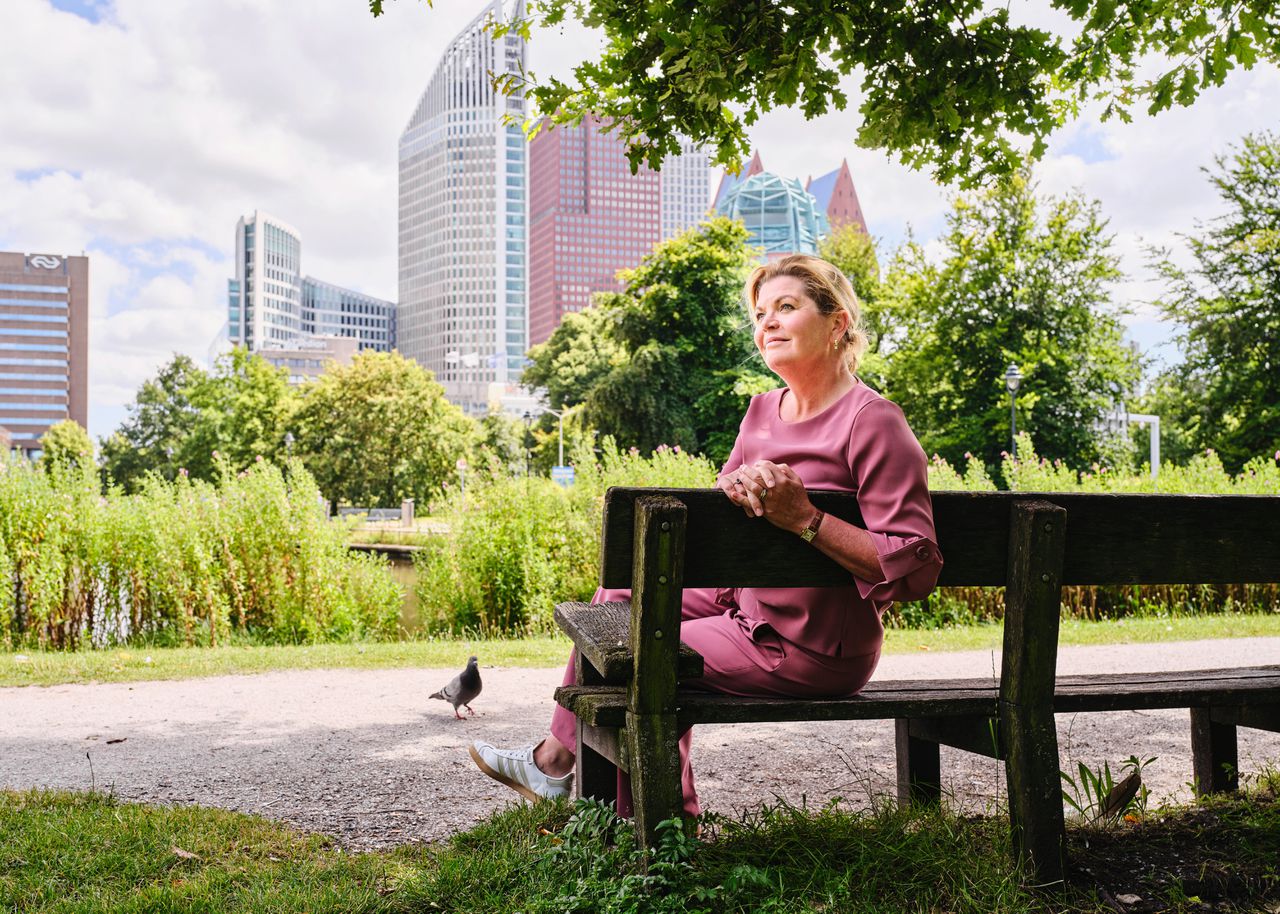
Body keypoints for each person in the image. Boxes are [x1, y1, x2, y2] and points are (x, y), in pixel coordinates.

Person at [469, 253, 943, 816]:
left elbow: (914, 572)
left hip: (812, 647)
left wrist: (805, 519)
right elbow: (723, 509)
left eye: (786, 307)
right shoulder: (761, 411)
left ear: (837, 322)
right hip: (742, 606)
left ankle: (649, 819)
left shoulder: (874, 421)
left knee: (641, 655)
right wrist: (738, 486)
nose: (766, 321)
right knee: (617, 603)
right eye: (761, 311)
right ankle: (569, 772)